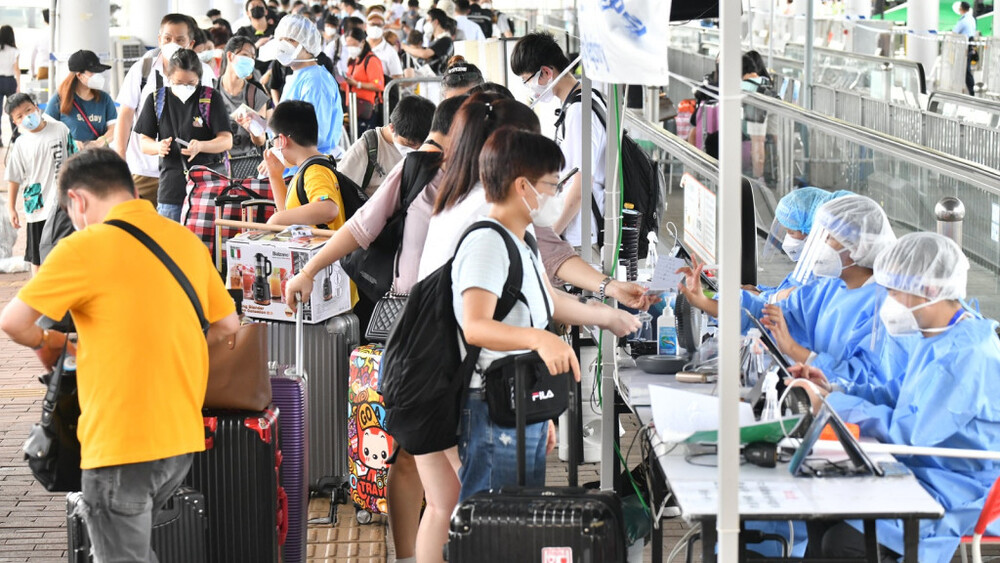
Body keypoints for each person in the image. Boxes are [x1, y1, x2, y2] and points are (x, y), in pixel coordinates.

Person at [0, 148, 239, 563]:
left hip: (120, 442)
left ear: (78, 200)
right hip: (179, 438)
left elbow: (15, 322)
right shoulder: (182, 239)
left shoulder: (85, 246)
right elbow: (228, 326)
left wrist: (56, 346)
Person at [282, 95, 463, 563]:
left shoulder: (487, 178)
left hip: (464, 326)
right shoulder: (417, 170)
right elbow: (360, 228)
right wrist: (308, 270)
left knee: (452, 460)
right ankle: (409, 555)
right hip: (404, 321)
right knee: (405, 448)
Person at [455, 127, 639, 502]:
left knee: (519, 522)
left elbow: (546, 300)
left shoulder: (521, 237)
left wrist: (606, 315)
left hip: (519, 399)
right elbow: (475, 327)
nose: (556, 196)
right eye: (552, 185)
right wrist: (542, 338)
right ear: (524, 187)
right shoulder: (487, 243)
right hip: (493, 405)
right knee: (493, 527)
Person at [793, 232, 1000, 563]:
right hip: (923, 467)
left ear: (929, 289)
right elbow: (898, 393)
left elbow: (912, 433)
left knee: (841, 543)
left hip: (955, 488)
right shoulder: (939, 335)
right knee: (819, 515)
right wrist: (834, 389)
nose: (886, 301)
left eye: (892, 291)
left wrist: (832, 407)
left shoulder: (966, 353)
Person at [511, 32, 607, 248]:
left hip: (583, 234)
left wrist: (548, 238)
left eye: (527, 80)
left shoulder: (579, 111)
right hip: (578, 227)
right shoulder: (586, 100)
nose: (530, 89)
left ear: (546, 72)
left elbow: (581, 186)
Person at [115, 14, 215, 206]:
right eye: (167, 39)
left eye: (180, 40)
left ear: (191, 43)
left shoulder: (204, 73)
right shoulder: (142, 70)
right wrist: (120, 161)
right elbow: (125, 116)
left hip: (187, 172)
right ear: (159, 40)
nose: (172, 44)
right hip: (144, 171)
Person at [262, 101, 356, 297]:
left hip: (330, 283)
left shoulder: (315, 172)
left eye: (273, 142)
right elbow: (289, 216)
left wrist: (276, 220)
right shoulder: (306, 169)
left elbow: (329, 209)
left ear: (282, 140)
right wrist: (275, 176)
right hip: (320, 278)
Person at [134, 49, 233, 222]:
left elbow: (226, 140)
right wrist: (158, 147)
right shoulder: (157, 99)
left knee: (205, 243)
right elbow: (144, 143)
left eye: (191, 82)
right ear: (169, 76)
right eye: (178, 82)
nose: (185, 87)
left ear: (199, 78)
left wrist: (201, 146)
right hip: (171, 188)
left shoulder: (210, 98)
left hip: (208, 187)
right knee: (170, 244)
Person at [4, 93, 75, 273]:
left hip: (64, 204)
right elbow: (14, 178)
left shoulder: (60, 129)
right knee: (37, 255)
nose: (26, 117)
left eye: (28, 110)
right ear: (15, 122)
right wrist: (11, 208)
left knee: (67, 250)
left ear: (36, 107)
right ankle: (38, 292)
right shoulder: (21, 144)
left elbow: (74, 158)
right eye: (19, 116)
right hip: (37, 207)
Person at [754, 187, 852, 302]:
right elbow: (792, 287)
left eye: (791, 232)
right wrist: (761, 292)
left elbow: (797, 299)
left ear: (812, 228)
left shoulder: (826, 269)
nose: (788, 238)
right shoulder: (815, 263)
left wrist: (759, 297)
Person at [266, 13, 344, 157]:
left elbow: (315, 134)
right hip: (292, 161)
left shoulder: (316, 81)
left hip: (307, 164)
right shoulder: (298, 76)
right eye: (281, 40)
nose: (283, 45)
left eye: (290, 40)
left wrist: (281, 155)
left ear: (307, 45)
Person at [338, 94, 435, 196]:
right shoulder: (366, 148)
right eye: (409, 144)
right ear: (392, 127)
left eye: (421, 145)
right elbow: (343, 193)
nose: (416, 149)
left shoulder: (429, 144)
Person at [217, 36, 271, 178]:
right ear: (230, 56)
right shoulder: (211, 91)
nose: (250, 61)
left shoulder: (256, 95)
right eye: (245, 55)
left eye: (253, 57)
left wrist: (252, 127)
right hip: (218, 165)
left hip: (248, 167)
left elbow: (260, 140)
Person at [45, 50, 117, 149]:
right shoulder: (60, 99)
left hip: (99, 158)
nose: (98, 75)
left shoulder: (105, 99)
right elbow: (46, 130)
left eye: (98, 71)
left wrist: (99, 142)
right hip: (70, 160)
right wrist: (69, 142)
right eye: (93, 71)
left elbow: (114, 129)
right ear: (79, 75)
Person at [342, 27, 385, 134]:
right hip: (353, 108)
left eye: (353, 44)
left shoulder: (371, 60)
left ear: (362, 42)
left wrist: (358, 84)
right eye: (348, 45)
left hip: (366, 109)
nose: (350, 48)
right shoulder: (354, 60)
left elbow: (379, 85)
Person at [400, 8, 456, 74]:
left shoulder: (445, 40)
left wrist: (405, 47)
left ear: (436, 22)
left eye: (428, 20)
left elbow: (424, 54)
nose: (426, 24)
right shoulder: (435, 40)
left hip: (438, 80)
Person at [366, 12, 404, 81]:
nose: (375, 27)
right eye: (372, 24)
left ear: (384, 27)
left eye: (379, 25)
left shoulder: (390, 52)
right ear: (366, 26)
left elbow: (398, 77)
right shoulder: (359, 46)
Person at [0, 25, 20, 147]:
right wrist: (18, 84)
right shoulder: (15, 51)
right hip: (10, 81)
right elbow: (16, 69)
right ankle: (15, 135)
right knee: (13, 109)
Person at [954, 1, 978, 96]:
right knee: (966, 70)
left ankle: (970, 91)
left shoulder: (963, 20)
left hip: (964, 48)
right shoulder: (972, 19)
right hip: (970, 46)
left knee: (964, 70)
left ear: (962, 9)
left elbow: (955, 32)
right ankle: (971, 91)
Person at [29, 10, 51, 82]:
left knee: (43, 92)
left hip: (43, 69)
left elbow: (32, 57)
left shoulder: (40, 34)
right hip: (58, 69)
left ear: (44, 20)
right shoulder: (60, 32)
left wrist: (32, 73)